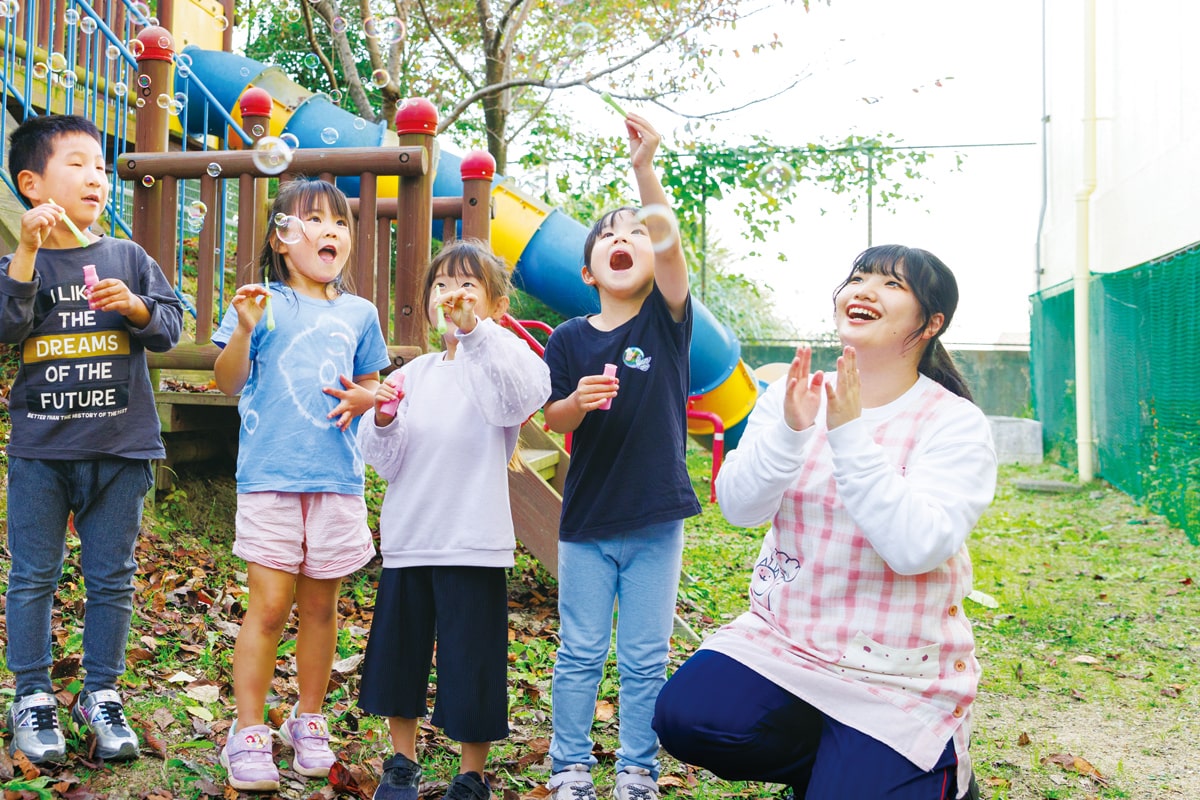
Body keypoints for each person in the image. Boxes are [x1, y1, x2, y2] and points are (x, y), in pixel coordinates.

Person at [650, 245, 996, 800]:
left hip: (895, 669)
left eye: (890, 285)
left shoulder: (953, 423)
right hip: (787, 640)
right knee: (686, 717)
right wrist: (789, 431)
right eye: (857, 278)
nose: (863, 290)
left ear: (932, 323)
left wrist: (850, 434)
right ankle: (835, 762)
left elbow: (915, 549)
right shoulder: (793, 393)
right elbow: (739, 509)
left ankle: (929, 770)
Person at [0, 114, 183, 764]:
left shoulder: (128, 257)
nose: (96, 177)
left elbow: (169, 325)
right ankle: (33, 695)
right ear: (31, 182)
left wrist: (135, 306)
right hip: (42, 456)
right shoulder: (17, 263)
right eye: (77, 163)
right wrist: (24, 255)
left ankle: (101, 694)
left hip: (121, 450)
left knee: (111, 580)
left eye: (101, 167)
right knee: (33, 578)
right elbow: (4, 327)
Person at [540, 113, 701, 800]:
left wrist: (644, 171)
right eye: (610, 234)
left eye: (635, 232)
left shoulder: (665, 321)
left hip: (656, 520)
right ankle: (570, 767)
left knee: (643, 659)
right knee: (579, 653)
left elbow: (668, 247)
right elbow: (549, 419)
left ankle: (637, 769)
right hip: (587, 522)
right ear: (589, 268)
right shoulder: (568, 338)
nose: (625, 238)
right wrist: (576, 403)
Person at [211, 179, 390, 792]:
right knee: (267, 607)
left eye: (340, 222)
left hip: (337, 480)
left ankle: (307, 720)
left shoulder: (359, 313)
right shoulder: (263, 302)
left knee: (322, 608)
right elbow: (228, 382)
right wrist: (242, 329)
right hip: (271, 478)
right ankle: (249, 729)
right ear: (282, 240)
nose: (331, 231)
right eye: (313, 220)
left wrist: (371, 397)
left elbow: (367, 388)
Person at [356, 238, 550, 800]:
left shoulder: (502, 364)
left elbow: (521, 398)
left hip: (474, 540)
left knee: (472, 661)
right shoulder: (413, 373)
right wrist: (386, 418)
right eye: (442, 284)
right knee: (400, 656)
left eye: (468, 285)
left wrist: (478, 336)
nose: (453, 295)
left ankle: (470, 775)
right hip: (412, 538)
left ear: (494, 304)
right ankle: (401, 764)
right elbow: (384, 461)